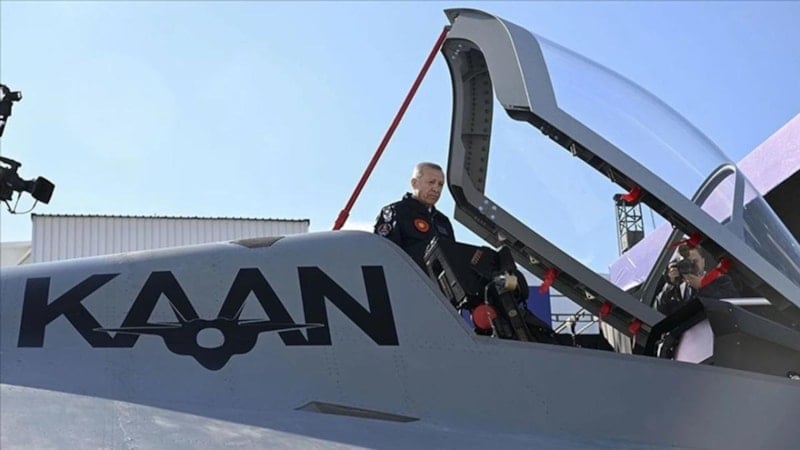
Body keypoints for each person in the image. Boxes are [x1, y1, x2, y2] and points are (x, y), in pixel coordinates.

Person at [374, 162, 455, 270]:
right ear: (415, 183)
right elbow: (383, 255)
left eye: (440, 184)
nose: (436, 189)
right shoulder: (396, 212)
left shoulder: (443, 221)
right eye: (431, 182)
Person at [655, 243, 739, 315]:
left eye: (695, 262)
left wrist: (702, 286)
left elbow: (733, 305)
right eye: (686, 263)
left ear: (703, 262)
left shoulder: (721, 280)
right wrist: (671, 284)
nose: (692, 267)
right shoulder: (678, 289)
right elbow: (658, 310)